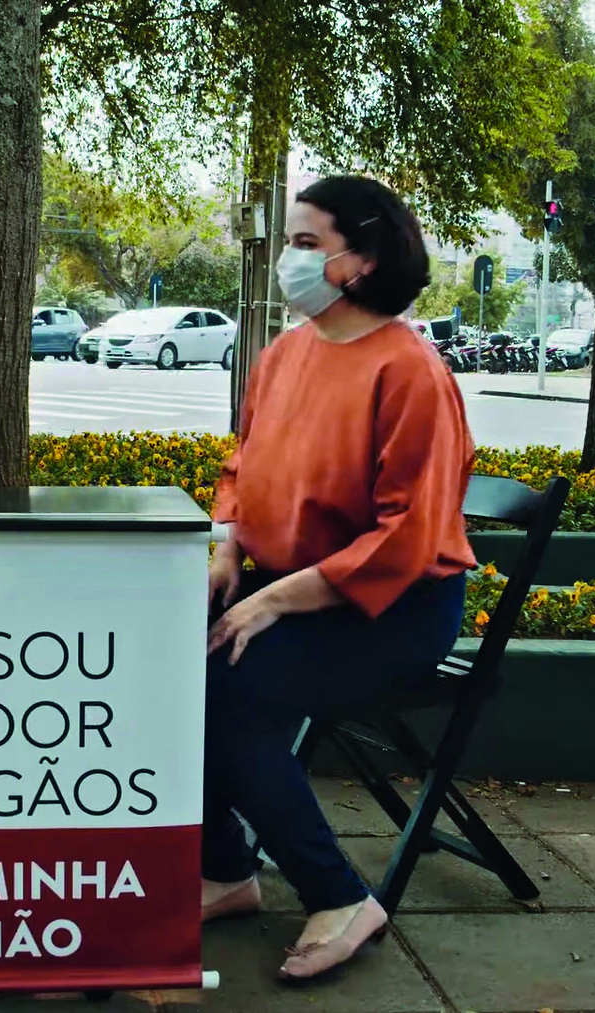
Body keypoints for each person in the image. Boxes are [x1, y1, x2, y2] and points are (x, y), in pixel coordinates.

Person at [201, 176, 475, 981]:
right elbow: (243, 465)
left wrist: (274, 598)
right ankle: (226, 871)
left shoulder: (411, 372)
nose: (288, 257)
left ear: (362, 261)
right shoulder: (285, 352)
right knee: (177, 672)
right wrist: (229, 550)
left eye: (306, 243)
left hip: (389, 608)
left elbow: (406, 536)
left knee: (233, 692)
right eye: (291, 240)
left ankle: (339, 893)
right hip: (289, 592)